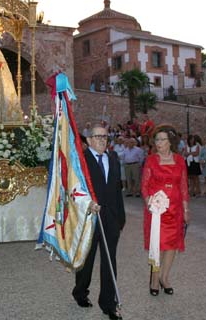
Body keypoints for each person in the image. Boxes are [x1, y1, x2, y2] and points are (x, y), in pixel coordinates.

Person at [72, 124, 125, 320]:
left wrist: (120, 216)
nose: (103, 140)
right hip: (90, 216)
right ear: (89, 140)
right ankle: (80, 291)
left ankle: (108, 304)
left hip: (111, 217)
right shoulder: (81, 161)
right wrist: (87, 203)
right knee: (87, 258)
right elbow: (74, 189)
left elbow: (117, 188)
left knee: (109, 260)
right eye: (98, 136)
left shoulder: (113, 158)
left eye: (105, 136)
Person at [141, 124, 189, 296]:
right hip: (156, 211)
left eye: (162, 139)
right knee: (157, 245)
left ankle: (164, 277)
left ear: (170, 142)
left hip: (175, 210)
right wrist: (149, 202)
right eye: (157, 139)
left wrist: (185, 209)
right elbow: (145, 186)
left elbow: (183, 185)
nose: (158, 142)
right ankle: (154, 279)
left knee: (172, 245)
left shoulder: (180, 160)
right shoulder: (151, 160)